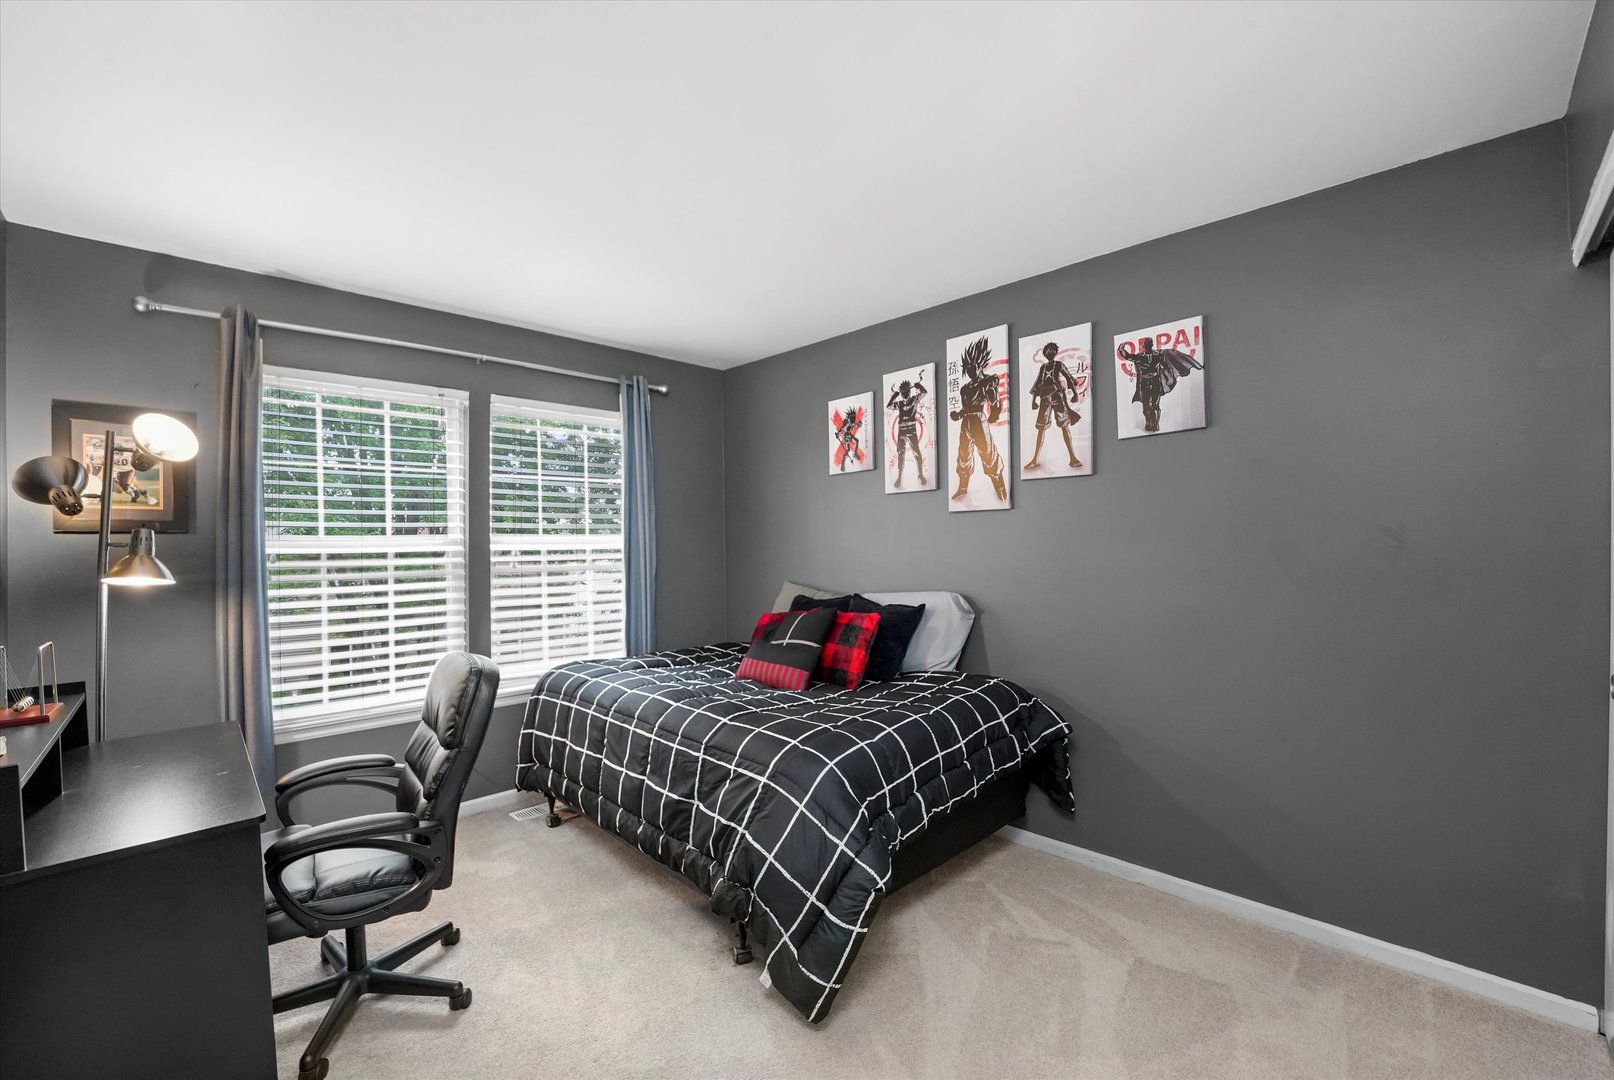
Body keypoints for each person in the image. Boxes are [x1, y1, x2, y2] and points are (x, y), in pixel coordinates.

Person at [949, 337, 1007, 501]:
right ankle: (962, 488)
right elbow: (965, 408)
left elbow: (995, 400)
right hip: (966, 421)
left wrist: (995, 413)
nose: (969, 371)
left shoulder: (988, 381)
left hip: (979, 421)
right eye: (967, 368)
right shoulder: (965, 388)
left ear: (980, 366)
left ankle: (1000, 487)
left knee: (988, 454)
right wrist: (958, 415)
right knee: (964, 455)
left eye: (972, 367)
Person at [1119, 335, 1203, 433]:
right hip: (1145, 382)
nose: (1147, 346)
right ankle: (1149, 422)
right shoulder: (1141, 356)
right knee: (1146, 404)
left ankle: (1155, 424)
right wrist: (1121, 349)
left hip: (1155, 381)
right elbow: (1128, 356)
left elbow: (1166, 365)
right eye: (1147, 344)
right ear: (1146, 346)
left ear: (1146, 346)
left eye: (1148, 344)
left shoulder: (1157, 354)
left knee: (1154, 404)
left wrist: (1170, 376)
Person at [1025, 342, 1082, 470]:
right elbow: (1038, 383)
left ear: (1055, 352)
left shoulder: (1059, 365)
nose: (1049, 353)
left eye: (1051, 351)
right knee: (1041, 427)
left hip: (1057, 396)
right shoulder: (1043, 367)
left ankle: (1073, 457)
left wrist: (1075, 393)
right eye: (1047, 352)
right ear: (1045, 354)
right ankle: (1035, 459)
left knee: (1064, 425)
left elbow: (1068, 378)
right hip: (1045, 398)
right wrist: (1034, 400)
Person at [885, 373, 928, 486]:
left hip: (911, 430)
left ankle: (920, 474)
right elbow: (888, 406)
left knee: (917, 452)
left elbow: (924, 393)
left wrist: (918, 385)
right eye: (903, 393)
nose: (905, 394)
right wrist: (895, 396)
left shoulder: (914, 399)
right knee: (901, 454)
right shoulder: (899, 404)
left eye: (906, 392)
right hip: (902, 431)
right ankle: (899, 477)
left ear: (909, 391)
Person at [833, 405, 863, 472]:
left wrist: (859, 424)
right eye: (853, 418)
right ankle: (843, 463)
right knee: (848, 449)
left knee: (851, 447)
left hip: (849, 435)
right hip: (847, 436)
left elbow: (856, 424)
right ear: (850, 418)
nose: (854, 419)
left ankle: (854, 454)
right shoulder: (847, 423)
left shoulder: (851, 423)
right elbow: (842, 428)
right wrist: (838, 434)